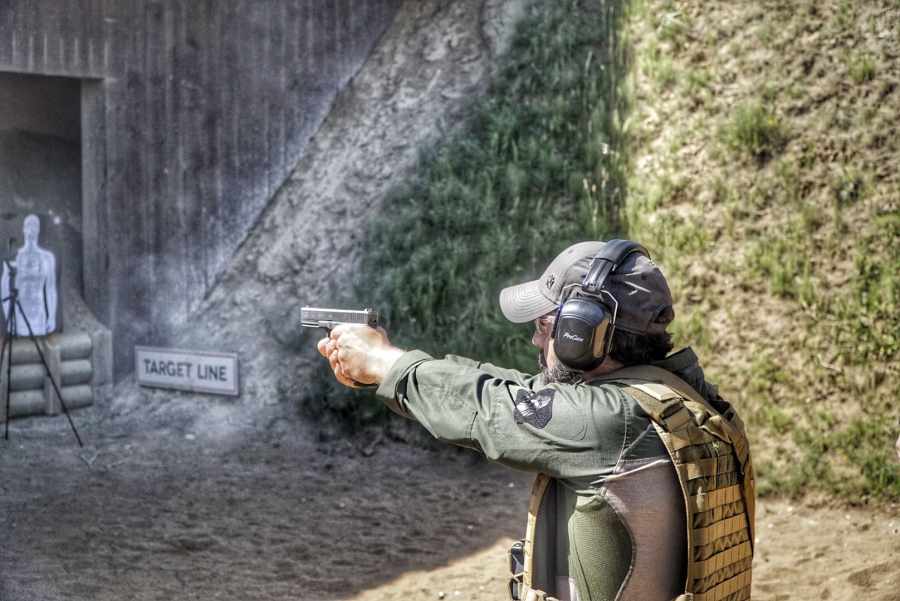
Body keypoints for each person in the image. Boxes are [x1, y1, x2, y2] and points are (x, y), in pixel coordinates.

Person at [317, 240, 755, 601]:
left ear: (580, 336)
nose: (535, 338)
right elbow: (509, 388)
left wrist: (383, 363)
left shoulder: (610, 422)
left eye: (546, 326)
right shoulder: (685, 403)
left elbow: (487, 407)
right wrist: (386, 367)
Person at [1, 214, 58, 336]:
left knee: (40, 347)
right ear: (23, 229)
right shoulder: (14, 256)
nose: (31, 228)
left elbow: (50, 289)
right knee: (23, 349)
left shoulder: (47, 258)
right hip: (20, 314)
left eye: (35, 225)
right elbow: (4, 291)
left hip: (39, 315)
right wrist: (8, 318)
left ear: (39, 229)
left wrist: (52, 316)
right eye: (28, 225)